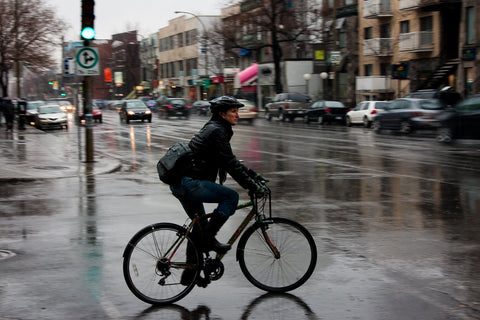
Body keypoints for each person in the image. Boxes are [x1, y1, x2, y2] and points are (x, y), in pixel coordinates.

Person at [169, 95, 265, 285]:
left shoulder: (215, 128)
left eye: (238, 111)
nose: (237, 114)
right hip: (190, 184)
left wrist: (253, 176)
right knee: (231, 197)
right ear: (222, 114)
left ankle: (191, 273)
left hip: (182, 183)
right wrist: (252, 187)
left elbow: (228, 160)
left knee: (199, 229)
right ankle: (209, 240)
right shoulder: (217, 131)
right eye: (234, 111)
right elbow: (229, 163)